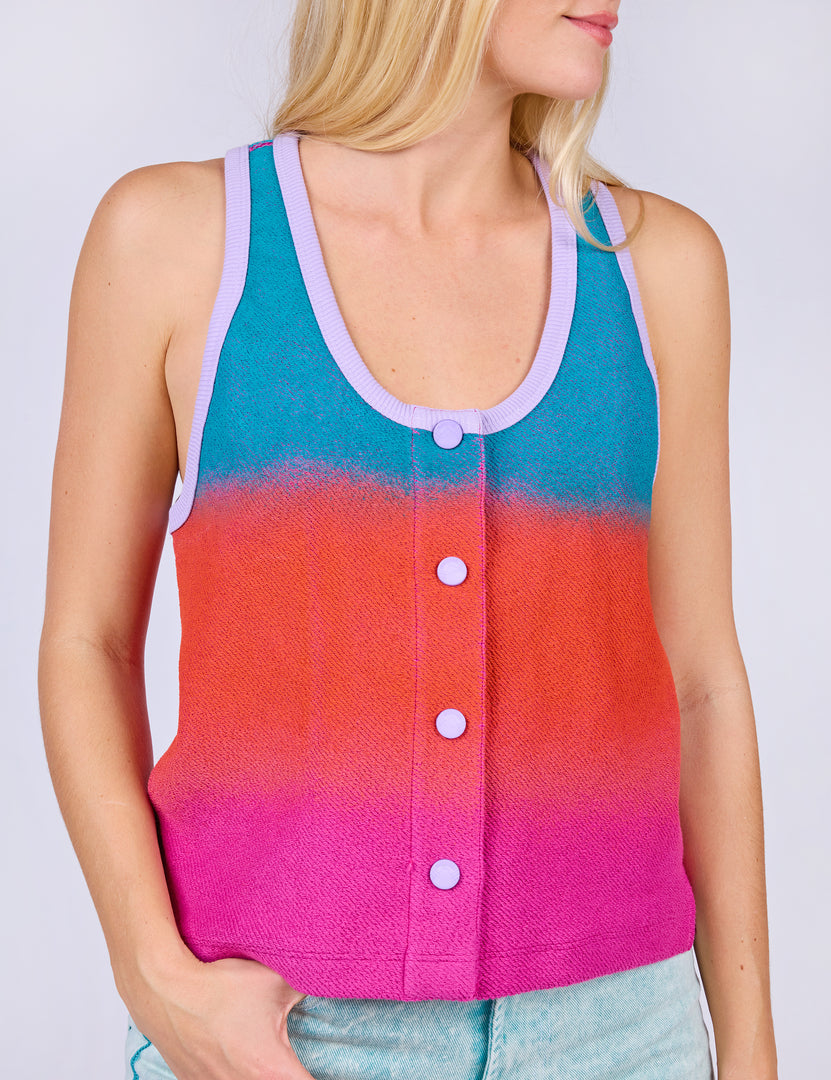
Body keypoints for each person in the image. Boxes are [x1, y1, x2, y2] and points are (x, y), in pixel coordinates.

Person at [38, 1, 778, 1078]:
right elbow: (88, 641)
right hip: (283, 1031)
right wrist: (152, 972)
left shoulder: (655, 266)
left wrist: (751, 1054)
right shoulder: (179, 241)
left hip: (624, 1032)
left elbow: (703, 680)